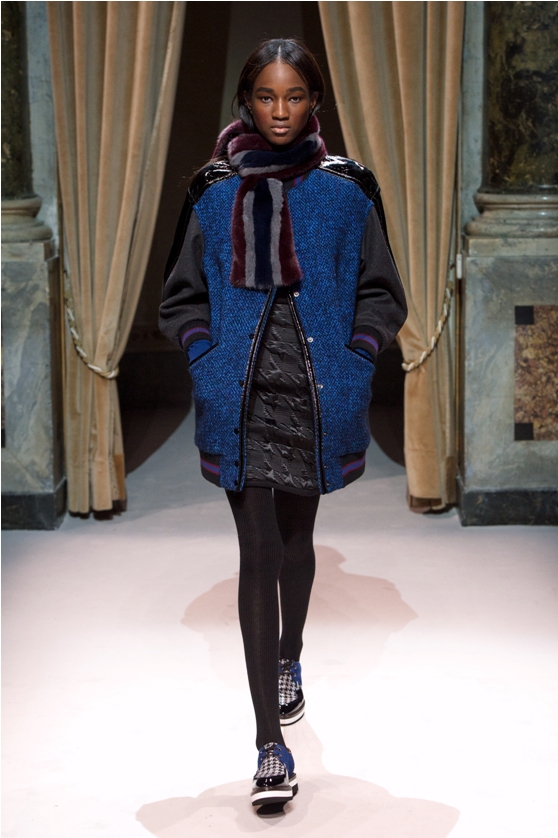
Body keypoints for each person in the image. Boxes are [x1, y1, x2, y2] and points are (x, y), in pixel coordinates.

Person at [159, 38, 407, 810]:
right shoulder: (213, 190)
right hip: (239, 396)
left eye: (293, 96)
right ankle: (271, 744)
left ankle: (289, 654)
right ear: (246, 100)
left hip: (316, 392)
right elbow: (180, 296)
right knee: (257, 551)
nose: (278, 111)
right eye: (266, 96)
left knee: (297, 543)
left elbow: (382, 291)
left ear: (315, 102)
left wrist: (359, 354)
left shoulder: (347, 189)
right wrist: (204, 357)